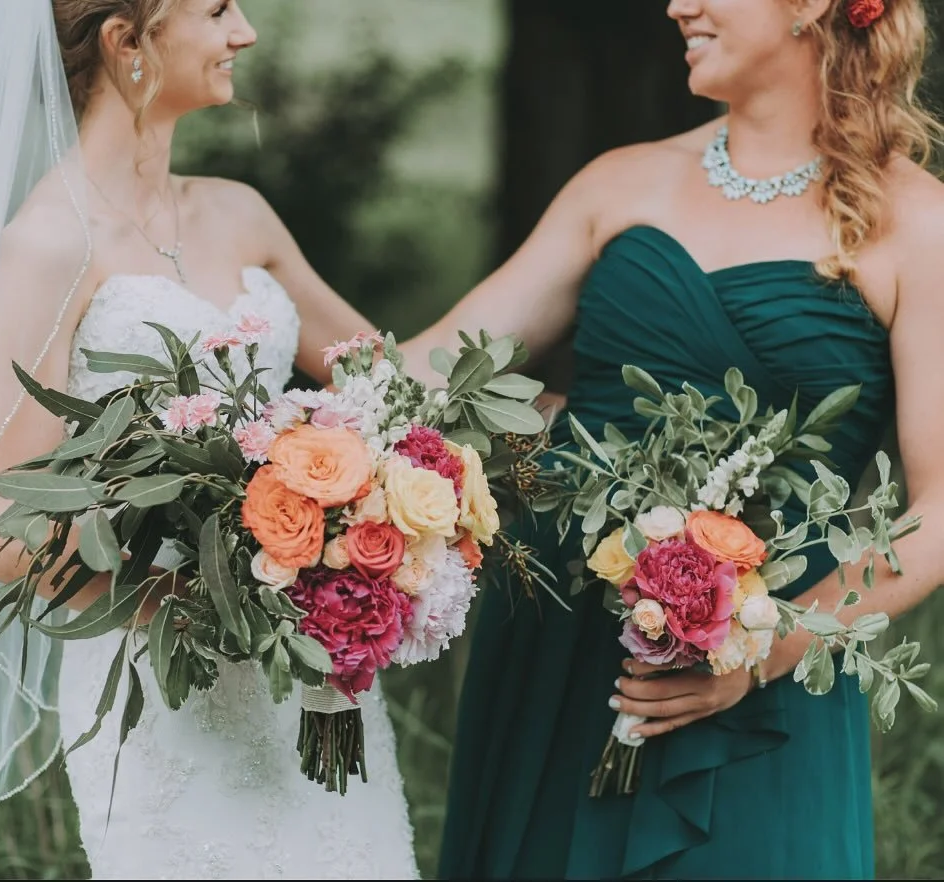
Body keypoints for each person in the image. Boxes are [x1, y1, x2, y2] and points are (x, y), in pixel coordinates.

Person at [400, 0, 944, 877]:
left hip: (757, 680)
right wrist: (257, 406)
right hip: (560, 651)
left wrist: (761, 654)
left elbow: (940, 512)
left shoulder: (919, 224)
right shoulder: (618, 183)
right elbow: (433, 374)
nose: (677, 5)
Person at [0, 1, 419, 878]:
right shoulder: (47, 245)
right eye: (218, 8)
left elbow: (392, 389)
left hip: (312, 678)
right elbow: (1, 529)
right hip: (165, 692)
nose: (246, 32)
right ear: (126, 42)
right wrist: (204, 585)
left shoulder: (242, 212)